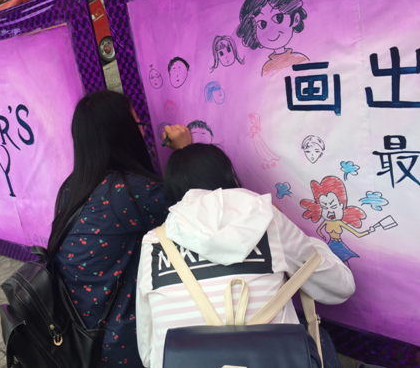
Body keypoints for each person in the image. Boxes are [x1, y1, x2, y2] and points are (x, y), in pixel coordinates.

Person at [136, 143, 355, 368]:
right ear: (227, 174)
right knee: (319, 339)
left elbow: (149, 352)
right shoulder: (269, 220)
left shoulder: (155, 242)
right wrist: (310, 242)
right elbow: (340, 287)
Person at [48, 90, 190, 368]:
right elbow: (199, 212)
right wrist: (185, 152)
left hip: (78, 333)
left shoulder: (71, 187)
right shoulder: (131, 191)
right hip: (121, 343)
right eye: (138, 125)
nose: (142, 132)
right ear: (123, 135)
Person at [236, 0, 309, 77]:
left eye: (279, 18)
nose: (271, 30)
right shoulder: (267, 69)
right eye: (262, 24)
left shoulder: (300, 60)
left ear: (295, 19)